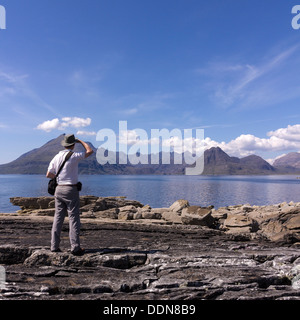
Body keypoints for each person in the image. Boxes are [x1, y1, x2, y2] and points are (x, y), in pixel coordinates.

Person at [46, 134, 93, 255]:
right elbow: (90, 151)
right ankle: (75, 247)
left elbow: (48, 174)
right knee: (73, 218)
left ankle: (54, 246)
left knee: (58, 218)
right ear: (73, 144)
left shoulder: (56, 157)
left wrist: (59, 177)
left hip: (58, 189)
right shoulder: (74, 156)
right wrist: (81, 141)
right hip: (70, 190)